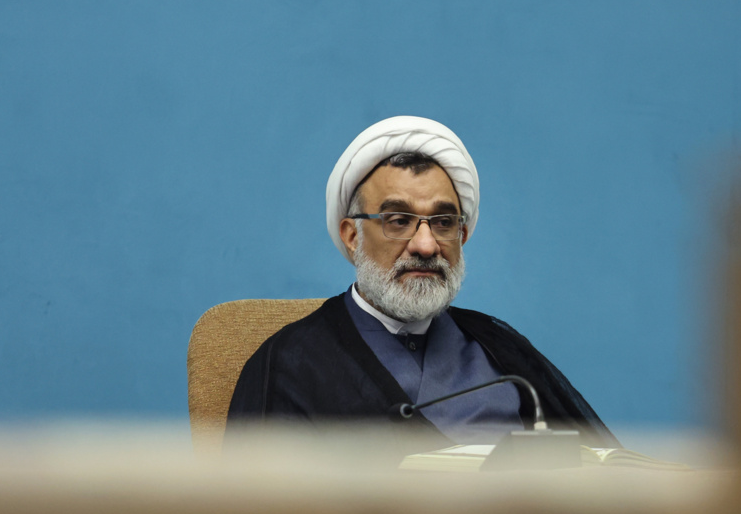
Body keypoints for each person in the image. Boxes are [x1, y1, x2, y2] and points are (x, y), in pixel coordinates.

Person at [227, 116, 619, 451]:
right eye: (398, 221)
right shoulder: (289, 364)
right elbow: (260, 508)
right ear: (351, 236)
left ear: (462, 236)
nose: (426, 245)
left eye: (444, 223)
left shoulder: (501, 350)